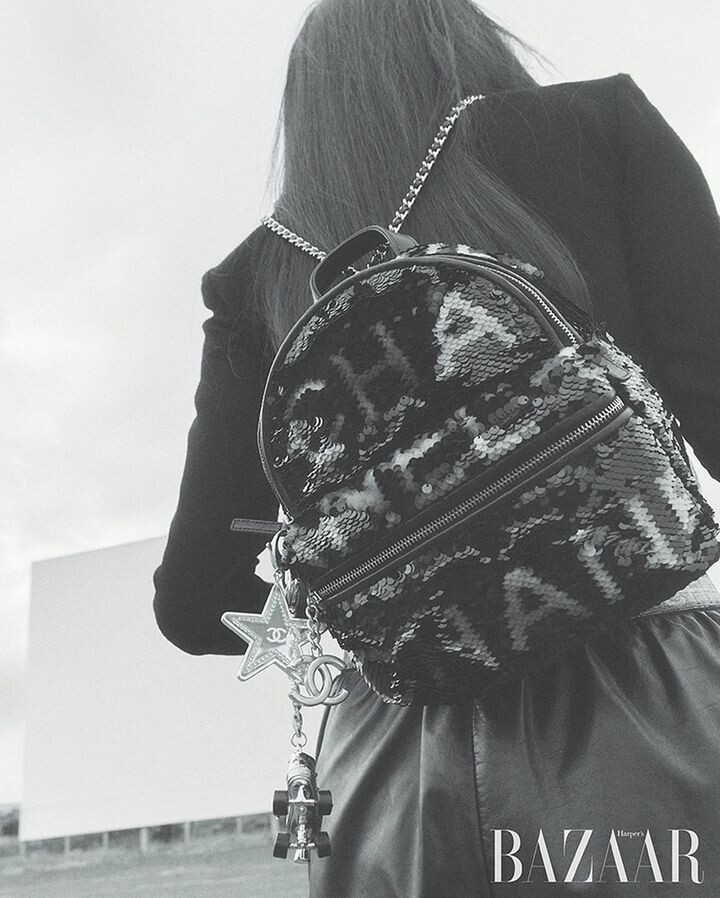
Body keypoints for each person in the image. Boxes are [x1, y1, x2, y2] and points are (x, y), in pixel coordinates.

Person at [153, 0, 720, 893]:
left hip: (391, 762)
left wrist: (387, 600)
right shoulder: (595, 127)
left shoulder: (254, 275)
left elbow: (194, 603)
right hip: (650, 693)